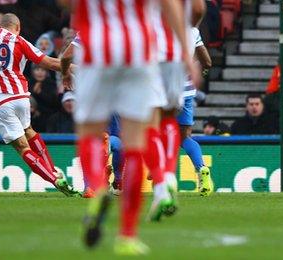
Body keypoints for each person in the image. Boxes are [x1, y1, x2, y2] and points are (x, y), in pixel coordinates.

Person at [60, 0, 198, 255]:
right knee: (135, 142)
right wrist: (186, 55)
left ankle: (99, 188)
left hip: (97, 48)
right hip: (139, 50)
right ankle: (127, 235)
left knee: (90, 132)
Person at [0, 14, 78, 196]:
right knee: (29, 131)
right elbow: (50, 63)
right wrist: (76, 69)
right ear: (18, 27)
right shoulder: (20, 41)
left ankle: (54, 180)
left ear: (1, 25)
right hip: (21, 97)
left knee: (23, 148)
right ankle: (53, 171)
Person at [144, 0, 204, 223]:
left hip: (146, 54)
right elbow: (197, 9)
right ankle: (169, 176)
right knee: (170, 119)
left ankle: (161, 184)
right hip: (176, 56)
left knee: (143, 126)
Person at [176, 26, 214, 199]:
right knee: (184, 137)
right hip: (186, 91)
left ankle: (158, 173)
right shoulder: (192, 30)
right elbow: (207, 62)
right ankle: (201, 168)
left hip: (161, 90)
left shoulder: (156, 25)